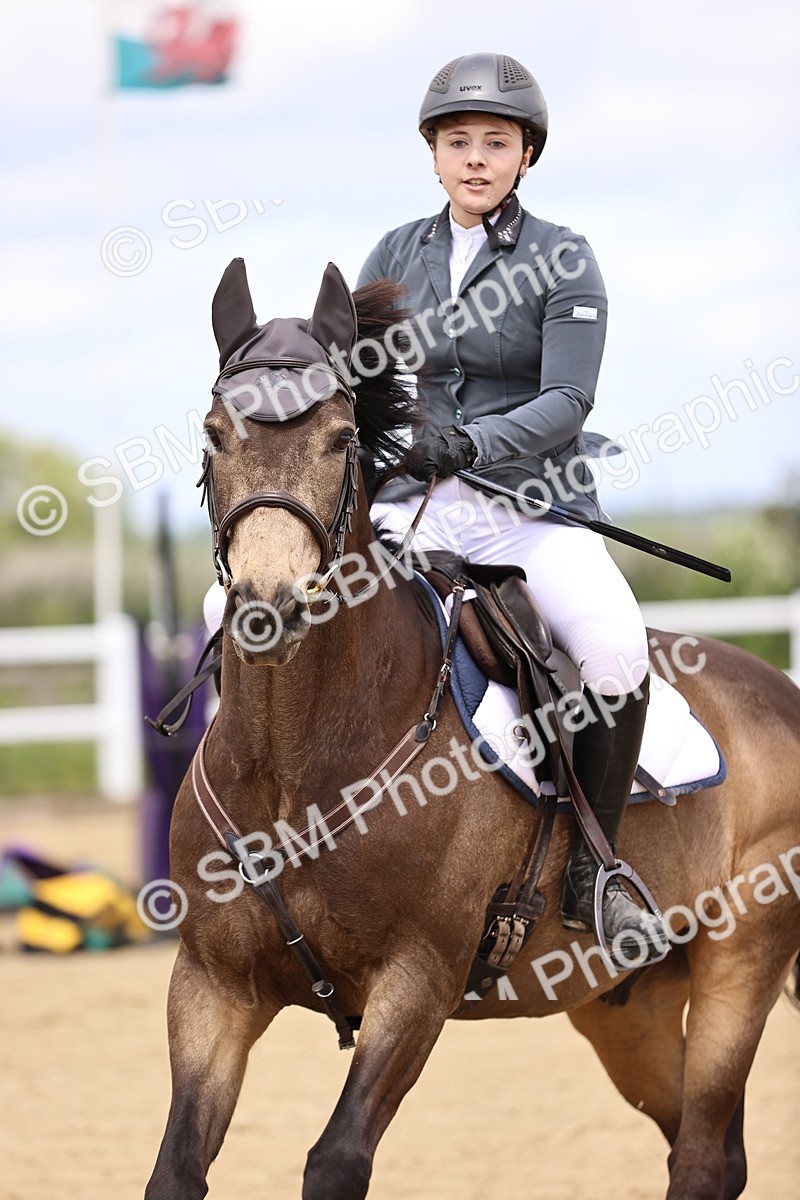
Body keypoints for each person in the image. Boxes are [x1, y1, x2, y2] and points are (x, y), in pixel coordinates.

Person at [358, 51, 667, 963]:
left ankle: (597, 871)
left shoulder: (563, 257)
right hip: (412, 506)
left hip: (531, 508)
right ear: (433, 153)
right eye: (458, 141)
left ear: (526, 154)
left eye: (496, 142)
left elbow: (568, 401)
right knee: (265, 611)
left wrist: (468, 444)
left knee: (615, 650)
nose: (476, 158)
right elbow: (356, 384)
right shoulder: (392, 255)